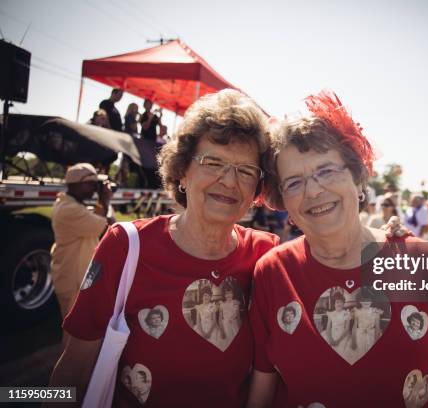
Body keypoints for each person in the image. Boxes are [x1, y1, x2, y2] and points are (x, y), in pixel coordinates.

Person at [247, 90, 428, 407]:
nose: (315, 190)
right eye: (294, 182)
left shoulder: (427, 264)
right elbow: (262, 393)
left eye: (327, 170)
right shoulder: (272, 273)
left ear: (358, 180)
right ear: (283, 203)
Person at [49, 89, 279, 407]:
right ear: (183, 170)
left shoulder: (266, 256)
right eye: (213, 162)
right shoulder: (125, 246)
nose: (229, 181)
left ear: (257, 187)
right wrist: (17, 395)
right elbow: (71, 373)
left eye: (246, 170)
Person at [50, 163, 114, 320]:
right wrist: (105, 199)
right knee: (74, 331)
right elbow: (108, 225)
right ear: (78, 184)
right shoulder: (70, 210)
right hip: (73, 281)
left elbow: (98, 218)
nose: (94, 189)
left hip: (76, 276)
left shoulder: (71, 205)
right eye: (92, 184)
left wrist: (102, 200)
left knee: (82, 326)